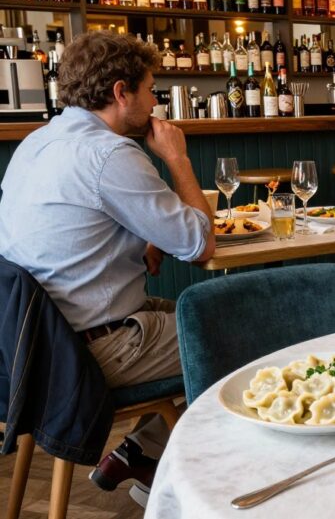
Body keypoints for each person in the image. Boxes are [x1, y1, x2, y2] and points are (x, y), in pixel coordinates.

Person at [0, 30, 215, 505]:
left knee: (210, 312)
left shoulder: (35, 144)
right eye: (151, 89)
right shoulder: (110, 153)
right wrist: (178, 159)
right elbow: (200, 244)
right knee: (240, 335)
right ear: (122, 92)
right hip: (91, 350)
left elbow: (70, 230)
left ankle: (142, 456)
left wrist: (139, 239)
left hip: (29, 347)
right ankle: (191, 486)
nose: (156, 101)